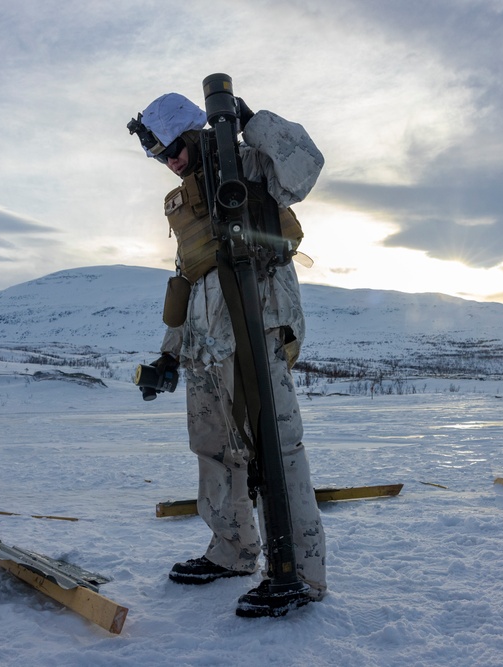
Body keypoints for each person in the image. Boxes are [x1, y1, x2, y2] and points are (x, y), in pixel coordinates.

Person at [129, 90, 327, 614]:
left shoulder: (252, 165)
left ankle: (299, 575)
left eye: (175, 148)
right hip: (203, 347)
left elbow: (306, 165)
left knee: (276, 450)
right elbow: (185, 282)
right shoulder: (184, 205)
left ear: (196, 132)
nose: (170, 162)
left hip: (256, 330)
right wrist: (168, 355)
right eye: (160, 156)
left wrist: (253, 121)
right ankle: (233, 550)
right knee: (214, 450)